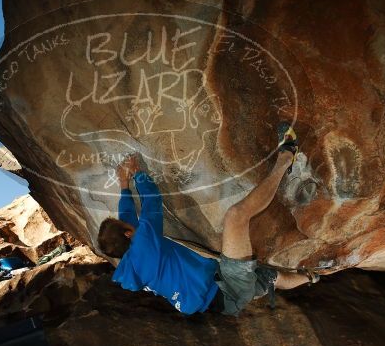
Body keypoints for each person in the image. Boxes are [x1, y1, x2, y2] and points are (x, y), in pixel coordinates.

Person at [98, 125, 319, 317]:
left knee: (270, 278)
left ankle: (311, 277)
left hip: (221, 302)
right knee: (236, 216)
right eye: (127, 228)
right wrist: (137, 175)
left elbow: (126, 220)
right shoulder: (144, 244)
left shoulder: (131, 264)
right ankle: (287, 156)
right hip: (227, 288)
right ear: (128, 234)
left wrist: (123, 186)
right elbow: (152, 202)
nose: (129, 223)